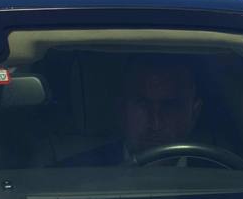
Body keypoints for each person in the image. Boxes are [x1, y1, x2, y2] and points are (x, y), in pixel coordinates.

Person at [64, 60, 201, 166]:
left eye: (169, 106)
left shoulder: (220, 175)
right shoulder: (71, 179)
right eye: (142, 105)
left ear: (194, 113)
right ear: (122, 110)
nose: (155, 124)